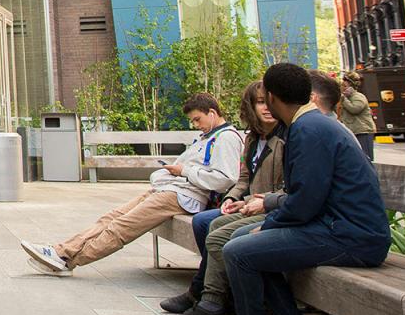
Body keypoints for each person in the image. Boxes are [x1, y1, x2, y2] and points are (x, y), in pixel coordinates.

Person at [208, 63, 390, 315]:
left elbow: (305, 201)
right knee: (242, 238)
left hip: (351, 236)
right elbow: (304, 195)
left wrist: (269, 225)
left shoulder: (309, 130)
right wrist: (270, 214)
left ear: (271, 97)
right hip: (336, 226)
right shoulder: (310, 124)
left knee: (240, 250)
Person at [22, 93, 242, 276]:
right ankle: (61, 251)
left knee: (122, 227)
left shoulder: (226, 138)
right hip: (169, 189)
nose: (196, 125)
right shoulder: (206, 137)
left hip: (185, 197)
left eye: (197, 119)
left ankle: (68, 260)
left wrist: (183, 171)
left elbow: (226, 178)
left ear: (212, 113)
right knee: (111, 217)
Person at [162, 81, 286, 315]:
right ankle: (207, 293)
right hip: (251, 203)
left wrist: (250, 201)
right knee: (202, 222)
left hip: (270, 207)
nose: (267, 107)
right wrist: (232, 197)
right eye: (260, 102)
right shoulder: (253, 139)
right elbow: (242, 179)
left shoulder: (285, 138)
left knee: (217, 230)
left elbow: (285, 189)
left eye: (270, 101)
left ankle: (209, 299)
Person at [339, 71, 376, 161]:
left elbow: (355, 109)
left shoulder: (358, 97)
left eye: (346, 86)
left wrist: (344, 99)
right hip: (354, 131)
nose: (343, 88)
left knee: (366, 158)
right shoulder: (348, 98)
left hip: (363, 131)